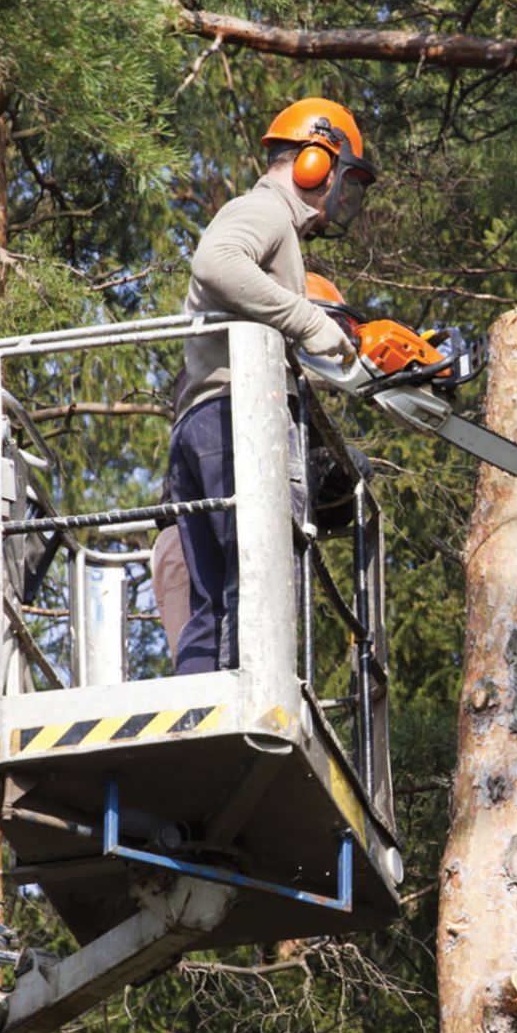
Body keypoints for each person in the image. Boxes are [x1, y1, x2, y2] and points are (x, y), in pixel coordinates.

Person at [166, 98, 376, 675]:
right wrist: (309, 321)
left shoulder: (272, 224)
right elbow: (217, 263)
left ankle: (200, 715)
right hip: (239, 420)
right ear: (315, 162)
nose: (342, 198)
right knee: (258, 581)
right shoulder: (264, 211)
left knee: (215, 600)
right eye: (344, 178)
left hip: (205, 421)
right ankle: (252, 696)